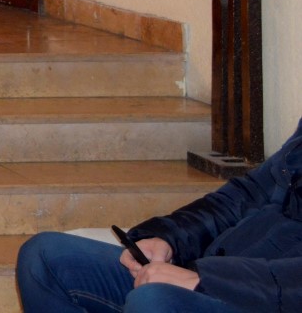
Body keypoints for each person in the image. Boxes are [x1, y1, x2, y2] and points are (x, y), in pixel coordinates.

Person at [16, 117, 302, 311]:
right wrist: (168, 239)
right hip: (224, 274)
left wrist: (209, 281)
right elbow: (245, 195)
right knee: (46, 257)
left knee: (152, 301)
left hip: (261, 297)